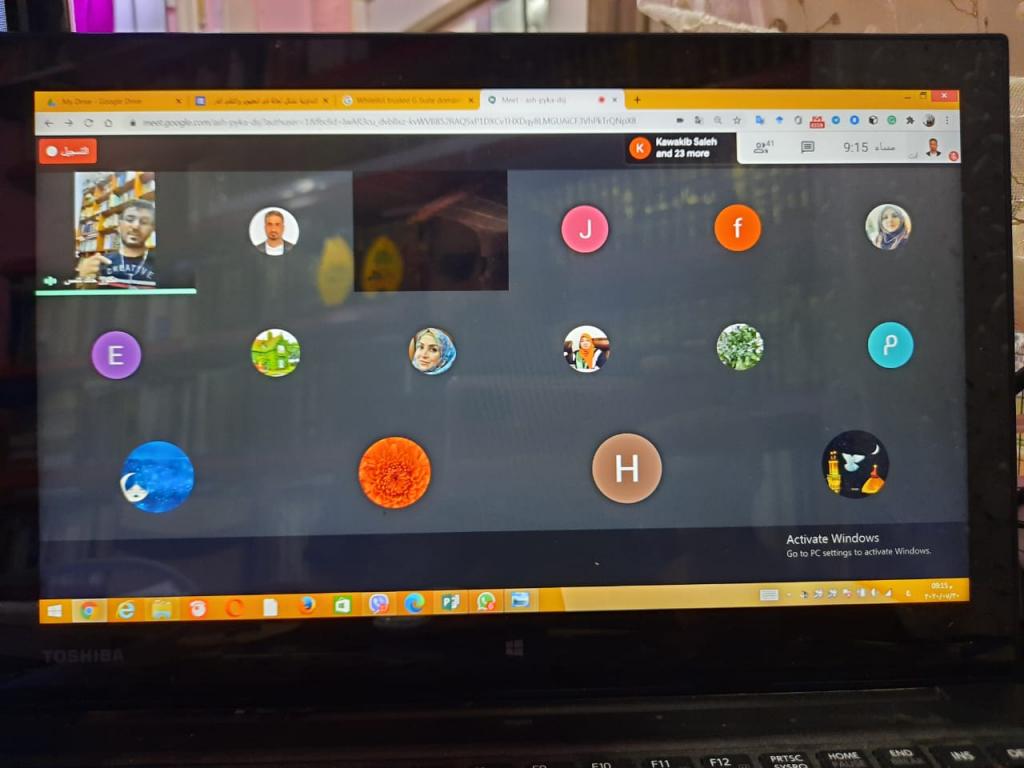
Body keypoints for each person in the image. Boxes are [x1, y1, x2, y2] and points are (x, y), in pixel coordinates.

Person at [74, 199, 157, 289]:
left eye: (144, 222)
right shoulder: (99, 264)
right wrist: (84, 280)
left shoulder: (163, 264)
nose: (135, 226)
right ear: (119, 226)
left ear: (152, 229)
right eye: (130, 220)